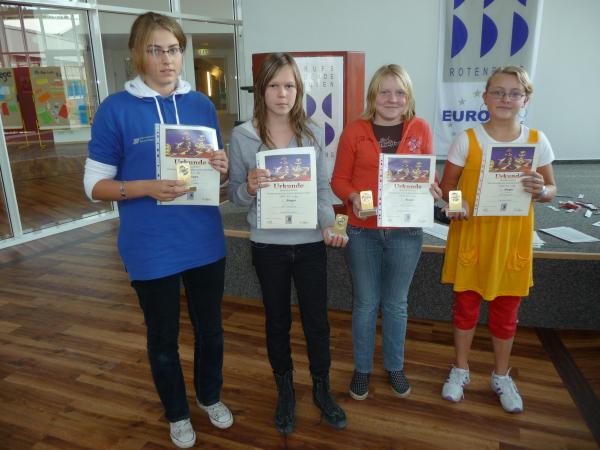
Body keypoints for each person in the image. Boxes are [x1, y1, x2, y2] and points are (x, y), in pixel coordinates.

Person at [83, 12, 233, 448]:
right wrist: (146, 187)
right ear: (137, 54)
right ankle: (177, 413)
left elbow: (214, 177)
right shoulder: (116, 108)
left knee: (211, 330)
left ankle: (209, 396)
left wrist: (221, 169)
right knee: (163, 336)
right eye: (155, 49)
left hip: (204, 240)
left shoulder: (201, 104)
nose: (166, 59)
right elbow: (94, 185)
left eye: (173, 49)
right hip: (150, 247)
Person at [228, 52, 347, 434]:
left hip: (310, 243)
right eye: (275, 85)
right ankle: (285, 390)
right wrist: (247, 187)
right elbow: (234, 196)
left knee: (317, 322)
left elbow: (323, 188)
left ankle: (321, 389)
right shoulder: (243, 135)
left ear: (299, 89)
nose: (283, 94)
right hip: (268, 245)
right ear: (262, 90)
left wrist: (331, 224)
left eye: (290, 86)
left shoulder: (311, 131)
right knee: (276, 321)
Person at [439, 66, 556, 413]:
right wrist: (455, 207)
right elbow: (448, 189)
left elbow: (551, 189)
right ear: (485, 97)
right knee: (466, 309)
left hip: (512, 241)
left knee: (506, 313)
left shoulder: (537, 140)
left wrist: (542, 190)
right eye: (499, 92)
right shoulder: (467, 139)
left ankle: (501, 375)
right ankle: (460, 369)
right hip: (473, 237)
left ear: (526, 99)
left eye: (514, 93)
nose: (506, 99)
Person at [331, 64, 442, 401]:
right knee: (365, 303)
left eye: (400, 92)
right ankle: (362, 369)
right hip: (362, 230)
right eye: (385, 91)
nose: (392, 99)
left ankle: (395, 366)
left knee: (396, 304)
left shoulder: (420, 129)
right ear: (373, 96)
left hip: (405, 231)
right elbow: (338, 180)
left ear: (408, 96)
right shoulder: (354, 130)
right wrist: (351, 196)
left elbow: (425, 176)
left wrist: (433, 188)